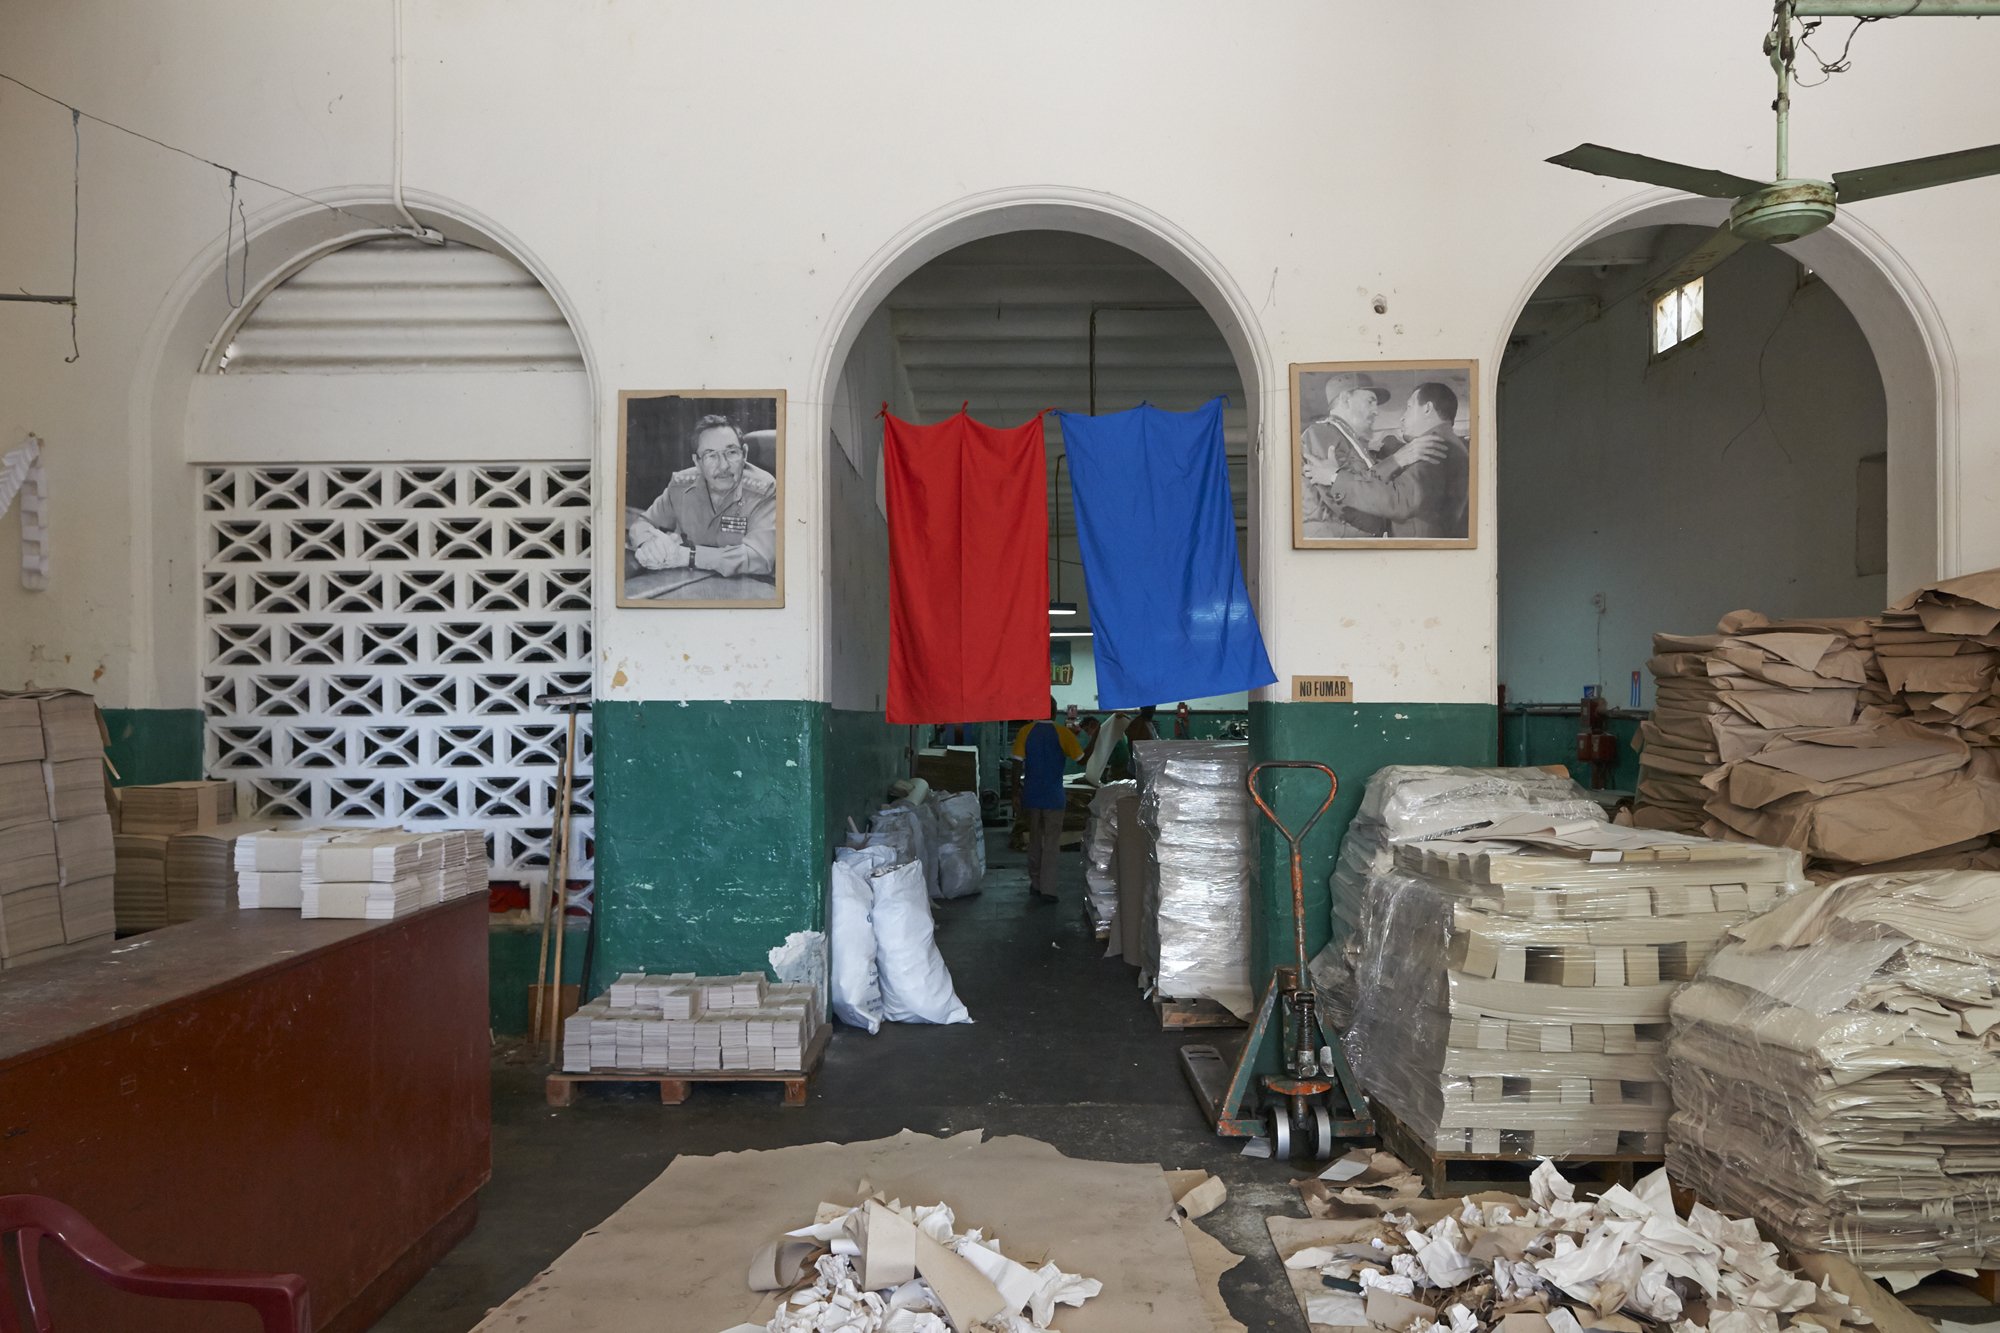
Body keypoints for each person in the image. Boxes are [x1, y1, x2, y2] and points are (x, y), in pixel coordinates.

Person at [1307, 382, 1465, 540]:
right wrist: (1396, 459)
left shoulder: (1432, 444)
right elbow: (1339, 502)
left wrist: (1335, 477)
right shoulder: (1322, 434)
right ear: (1346, 399)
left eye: (1409, 407)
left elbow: (1395, 496)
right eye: (1370, 401)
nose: (1376, 412)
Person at [627, 414, 777, 579]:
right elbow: (642, 523)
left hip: (748, 586)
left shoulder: (764, 490)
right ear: (697, 462)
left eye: (732, 452)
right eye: (710, 455)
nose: (723, 465)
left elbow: (760, 557)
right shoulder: (681, 486)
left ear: (745, 454)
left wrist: (688, 556)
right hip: (692, 583)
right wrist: (649, 544)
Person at [1011, 698, 1083, 902]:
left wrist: (1015, 792)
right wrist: (1098, 739)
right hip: (1054, 797)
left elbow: (1016, 764)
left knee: (1034, 840)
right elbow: (1082, 759)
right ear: (1055, 711)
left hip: (1032, 796)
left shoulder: (1025, 732)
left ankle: (1035, 883)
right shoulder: (1063, 733)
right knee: (1051, 843)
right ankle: (1048, 890)